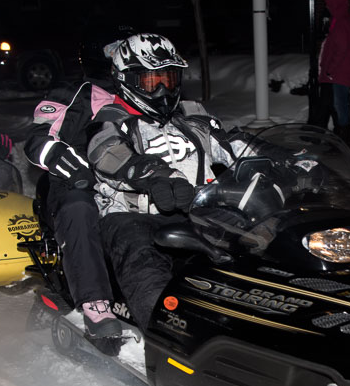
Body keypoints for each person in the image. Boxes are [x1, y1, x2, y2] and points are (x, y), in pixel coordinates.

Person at [25, 33, 246, 338]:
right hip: (81, 174)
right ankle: (95, 302)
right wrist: (63, 158)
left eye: (165, 77)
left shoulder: (178, 111)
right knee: (79, 206)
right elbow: (43, 136)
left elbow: (232, 143)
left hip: (145, 182)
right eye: (149, 77)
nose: (159, 86)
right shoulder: (81, 94)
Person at [310, 0, 350, 144]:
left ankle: (343, 141)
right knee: (336, 106)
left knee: (340, 107)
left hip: (338, 74)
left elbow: (341, 48)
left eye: (329, 3)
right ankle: (339, 140)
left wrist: (330, 69)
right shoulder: (340, 20)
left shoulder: (341, 22)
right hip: (336, 74)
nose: (327, 6)